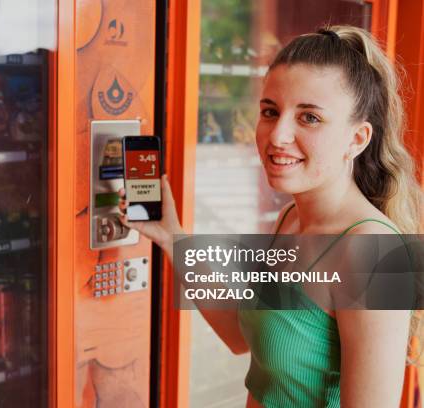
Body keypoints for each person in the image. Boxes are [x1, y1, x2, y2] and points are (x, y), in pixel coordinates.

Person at [119, 25, 422, 407]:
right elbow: (239, 335)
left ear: (357, 139)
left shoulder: (374, 254)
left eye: (309, 117)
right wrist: (172, 238)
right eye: (270, 111)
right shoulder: (291, 219)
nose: (277, 134)